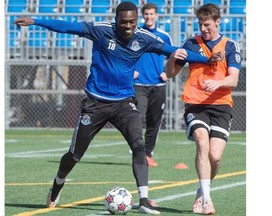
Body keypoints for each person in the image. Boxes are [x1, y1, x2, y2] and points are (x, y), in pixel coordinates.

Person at [14, 2, 221, 215]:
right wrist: (36, 21)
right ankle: (57, 184)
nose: (128, 26)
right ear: (116, 20)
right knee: (75, 154)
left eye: (132, 21)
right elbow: (68, 26)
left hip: (124, 103)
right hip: (95, 103)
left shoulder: (144, 38)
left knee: (138, 145)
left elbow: (176, 52)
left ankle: (143, 200)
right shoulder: (101, 30)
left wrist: (206, 60)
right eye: (124, 22)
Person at [165, 3, 241, 215]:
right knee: (201, 140)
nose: (203, 28)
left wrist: (218, 83)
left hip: (221, 105)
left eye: (207, 24)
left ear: (217, 22)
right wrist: (172, 57)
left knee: (215, 157)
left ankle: (202, 190)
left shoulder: (229, 45)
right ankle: (207, 200)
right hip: (195, 103)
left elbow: (234, 79)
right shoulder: (190, 43)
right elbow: (171, 73)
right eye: (200, 24)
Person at [133, 3, 172, 167]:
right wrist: (131, 71)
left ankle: (148, 154)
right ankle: (137, 153)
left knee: (154, 121)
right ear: (143, 16)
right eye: (146, 14)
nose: (149, 17)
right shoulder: (136, 33)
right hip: (138, 84)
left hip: (158, 85)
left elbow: (174, 55)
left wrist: (168, 73)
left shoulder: (164, 36)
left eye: (152, 14)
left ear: (157, 16)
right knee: (137, 119)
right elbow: (126, 53)